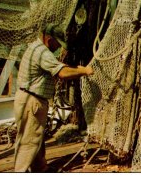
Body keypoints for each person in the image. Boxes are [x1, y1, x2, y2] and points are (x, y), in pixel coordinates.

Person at [13, 23, 93, 172]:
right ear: (49, 39)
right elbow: (62, 73)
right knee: (28, 143)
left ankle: (40, 169)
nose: (58, 48)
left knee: (35, 138)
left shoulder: (36, 48)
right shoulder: (43, 52)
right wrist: (85, 71)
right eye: (58, 44)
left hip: (28, 99)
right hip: (32, 102)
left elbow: (58, 66)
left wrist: (76, 69)